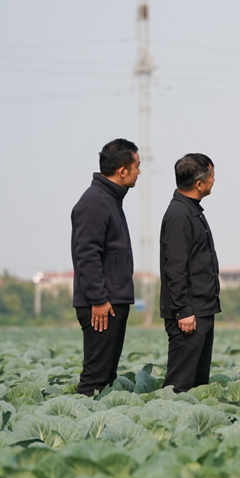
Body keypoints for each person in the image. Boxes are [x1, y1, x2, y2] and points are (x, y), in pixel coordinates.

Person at [71, 138, 140, 396]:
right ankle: (81, 428)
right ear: (122, 170)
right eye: (137, 165)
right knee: (95, 379)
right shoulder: (95, 201)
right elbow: (86, 255)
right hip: (102, 305)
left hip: (112, 300)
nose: (139, 172)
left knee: (106, 379)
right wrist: (98, 299)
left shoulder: (109, 199)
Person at [159, 154, 220, 393]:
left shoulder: (191, 210)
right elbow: (175, 268)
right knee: (179, 384)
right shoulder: (179, 215)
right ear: (199, 184)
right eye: (212, 176)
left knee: (197, 384)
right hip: (188, 315)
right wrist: (183, 311)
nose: (214, 181)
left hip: (201, 309)